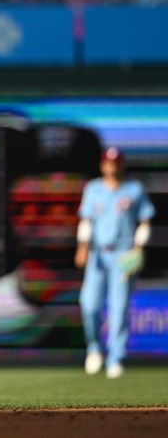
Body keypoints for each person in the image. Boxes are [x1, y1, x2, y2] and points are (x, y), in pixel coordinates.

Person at [75, 147, 154, 379]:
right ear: (102, 165)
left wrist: (139, 249)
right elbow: (87, 220)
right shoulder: (93, 189)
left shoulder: (134, 189)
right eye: (108, 162)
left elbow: (145, 221)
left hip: (123, 254)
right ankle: (94, 348)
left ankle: (115, 357)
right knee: (89, 304)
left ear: (121, 164)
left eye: (115, 162)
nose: (112, 166)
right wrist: (82, 246)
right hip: (97, 254)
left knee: (119, 308)